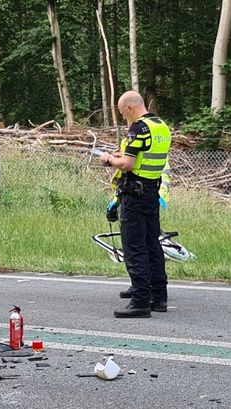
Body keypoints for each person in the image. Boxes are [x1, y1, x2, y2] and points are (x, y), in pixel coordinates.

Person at [98, 91, 171, 318]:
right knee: (152, 245)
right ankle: (158, 297)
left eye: (122, 113)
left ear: (129, 108)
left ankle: (140, 301)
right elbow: (145, 156)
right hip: (152, 192)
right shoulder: (161, 126)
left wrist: (109, 159)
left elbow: (128, 165)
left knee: (134, 247)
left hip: (134, 195)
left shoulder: (138, 128)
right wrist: (123, 154)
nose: (123, 118)